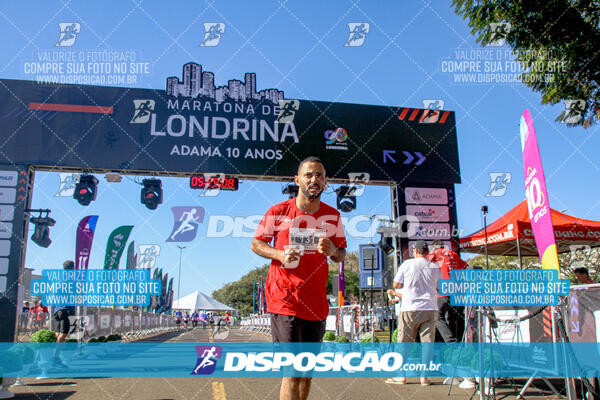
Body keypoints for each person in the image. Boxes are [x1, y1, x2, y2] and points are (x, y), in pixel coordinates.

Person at [251, 156, 347, 400]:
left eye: (319, 176)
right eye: (309, 175)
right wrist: (280, 254)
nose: (314, 179)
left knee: (306, 373)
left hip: (315, 304)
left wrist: (333, 251)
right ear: (297, 180)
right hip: (285, 300)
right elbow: (257, 243)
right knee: (292, 371)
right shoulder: (279, 211)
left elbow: (341, 255)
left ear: (325, 182)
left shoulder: (332, 216)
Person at [386, 240, 441, 386]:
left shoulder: (407, 264)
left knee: (404, 342)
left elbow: (396, 285)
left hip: (410, 307)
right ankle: (424, 377)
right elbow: (438, 288)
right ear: (427, 252)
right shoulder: (435, 267)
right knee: (427, 343)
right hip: (430, 307)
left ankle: (402, 375)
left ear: (415, 251)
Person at [427, 240, 468, 344]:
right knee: (456, 317)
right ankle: (460, 341)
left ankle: (451, 342)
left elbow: (425, 266)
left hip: (444, 290)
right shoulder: (453, 253)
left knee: (437, 316)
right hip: (458, 290)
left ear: (434, 248)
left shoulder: (434, 253)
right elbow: (465, 267)